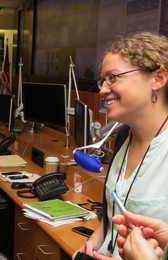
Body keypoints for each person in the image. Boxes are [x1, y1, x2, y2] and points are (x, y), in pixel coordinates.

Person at [73, 32, 168, 259]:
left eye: (113, 78)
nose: (103, 90)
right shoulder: (124, 135)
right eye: (102, 80)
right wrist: (92, 244)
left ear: (158, 79)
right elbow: (111, 215)